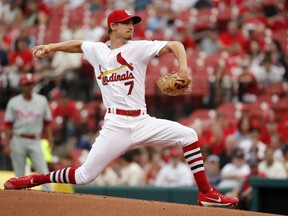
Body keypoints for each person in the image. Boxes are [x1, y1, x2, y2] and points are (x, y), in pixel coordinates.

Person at [4, 9, 238, 207]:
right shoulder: (98, 51)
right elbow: (77, 45)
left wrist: (184, 68)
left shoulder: (138, 48)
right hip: (116, 125)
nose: (131, 26)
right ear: (113, 26)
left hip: (143, 121)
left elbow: (176, 44)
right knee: (85, 176)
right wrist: (51, 47)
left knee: (189, 135)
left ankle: (206, 193)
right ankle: (34, 179)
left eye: (133, 23)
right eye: (126, 23)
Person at [3, 73, 54, 191]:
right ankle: (20, 200)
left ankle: (49, 196)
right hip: (18, 139)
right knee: (19, 173)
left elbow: (47, 122)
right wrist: (6, 144)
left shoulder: (42, 100)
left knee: (43, 170)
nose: (29, 86)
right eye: (27, 84)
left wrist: (50, 139)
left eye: (31, 84)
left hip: (35, 140)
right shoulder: (14, 102)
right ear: (21, 85)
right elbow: (8, 125)